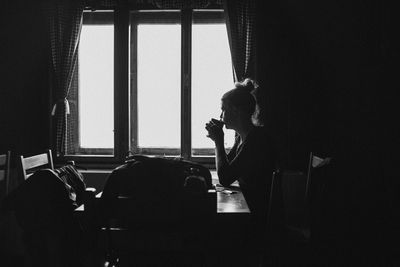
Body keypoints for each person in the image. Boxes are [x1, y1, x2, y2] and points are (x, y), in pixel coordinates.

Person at [205, 78, 277, 223]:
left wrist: (218, 141)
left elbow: (225, 177)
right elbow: (228, 167)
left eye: (223, 110)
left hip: (257, 213)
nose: (221, 116)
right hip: (248, 204)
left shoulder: (256, 140)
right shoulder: (242, 137)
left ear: (236, 111)